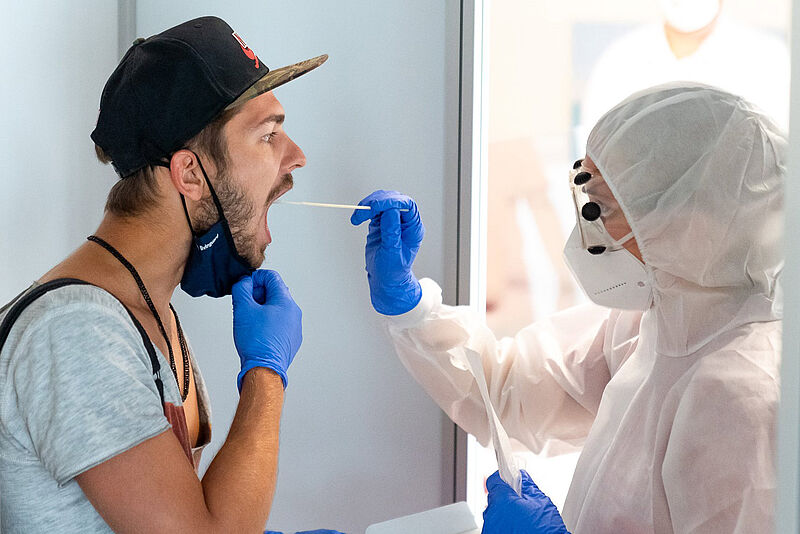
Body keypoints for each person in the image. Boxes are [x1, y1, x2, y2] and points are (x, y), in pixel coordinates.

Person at [352, 82, 785, 532]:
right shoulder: (659, 320)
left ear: (691, 225)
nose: (586, 230)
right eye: (586, 193)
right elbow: (511, 395)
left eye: (603, 208)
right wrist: (413, 310)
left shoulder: (744, 396)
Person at [0, 16, 332, 533]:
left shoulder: (149, 315)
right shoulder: (75, 332)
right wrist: (266, 375)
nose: (295, 157)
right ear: (190, 173)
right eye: (268, 136)